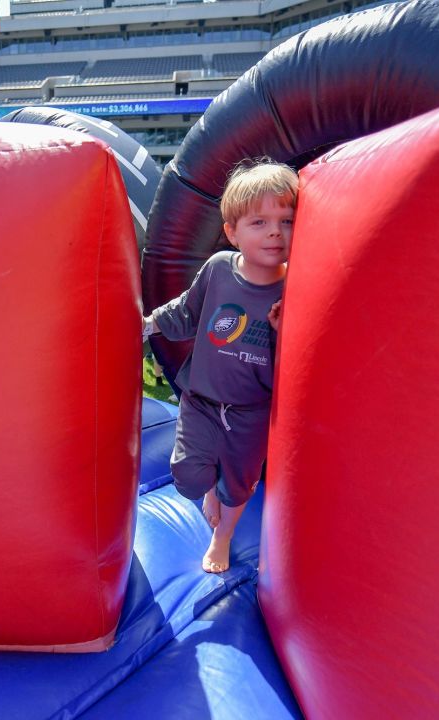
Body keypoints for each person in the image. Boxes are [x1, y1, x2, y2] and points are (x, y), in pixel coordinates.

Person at [142, 159, 296, 574]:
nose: (274, 233)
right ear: (232, 232)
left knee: (239, 486)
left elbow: (299, 370)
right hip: (202, 400)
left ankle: (222, 537)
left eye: (287, 220)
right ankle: (208, 490)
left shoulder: (297, 287)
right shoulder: (219, 271)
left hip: (251, 413)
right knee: (189, 477)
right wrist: (151, 323)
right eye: (259, 222)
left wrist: (285, 332)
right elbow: (188, 312)